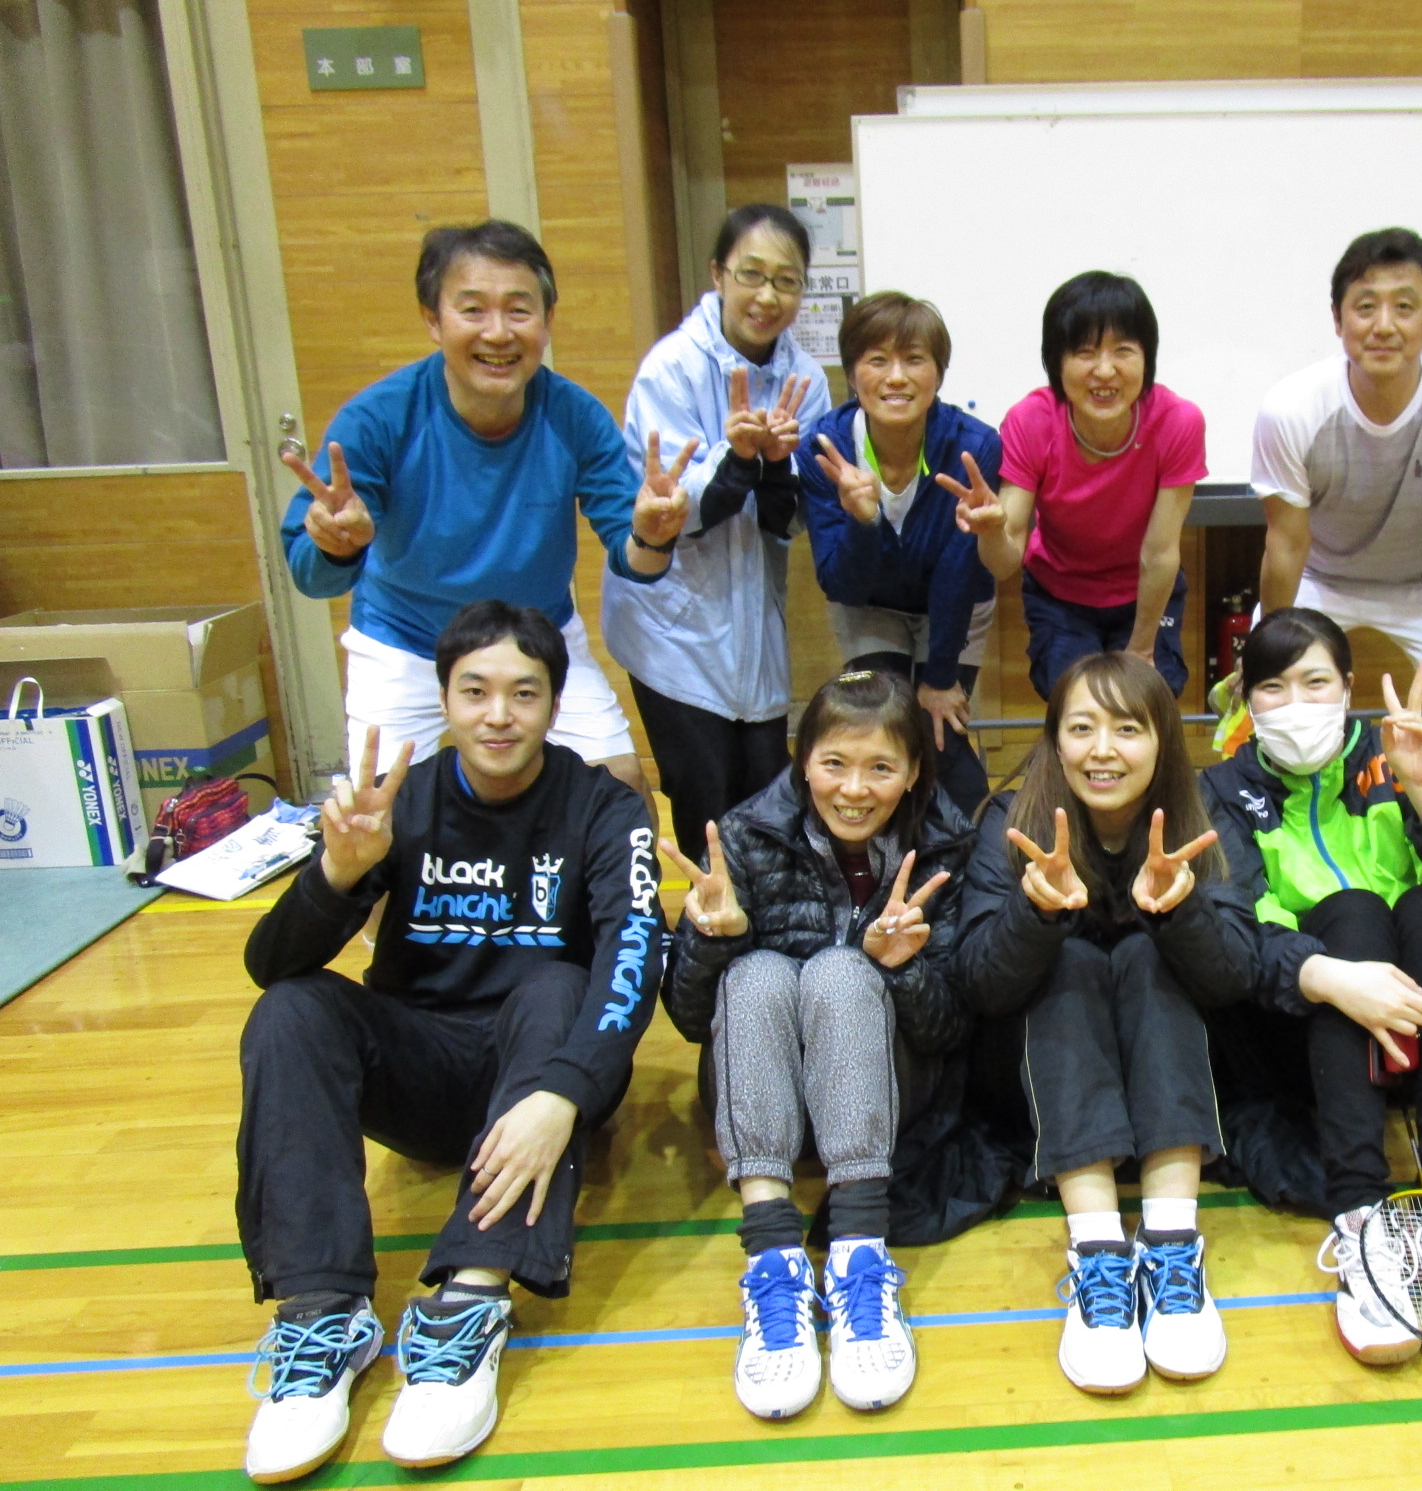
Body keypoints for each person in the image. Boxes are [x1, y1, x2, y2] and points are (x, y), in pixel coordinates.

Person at [235, 602, 661, 1483]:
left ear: (555, 704)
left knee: (555, 980)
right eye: (475, 692)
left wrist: (565, 1092)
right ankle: (321, 1316)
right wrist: (338, 873)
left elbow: (633, 961)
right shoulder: (401, 801)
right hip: (429, 1070)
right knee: (292, 1010)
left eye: (523, 693)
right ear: (444, 700)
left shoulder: (606, 808)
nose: (498, 715)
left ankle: (470, 1302)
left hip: (547, 1075)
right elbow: (269, 965)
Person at [1200, 608, 1422, 1368]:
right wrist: (1336, 979)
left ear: (1348, 688)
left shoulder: (1396, 758)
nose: (1296, 703)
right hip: (1304, 1032)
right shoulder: (1222, 790)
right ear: (1247, 703)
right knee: (1351, 912)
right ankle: (1360, 1218)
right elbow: (1237, 933)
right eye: (1273, 688)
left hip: (1417, 1028)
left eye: (1316, 682)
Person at [661, 669, 978, 1420]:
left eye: (881, 767)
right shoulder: (743, 836)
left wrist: (898, 969)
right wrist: (714, 939)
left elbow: (952, 1029)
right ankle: (773, 1261)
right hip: (761, 1105)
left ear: (913, 773)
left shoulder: (947, 846)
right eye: (835, 763)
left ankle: (860, 1257)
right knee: (757, 972)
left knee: (841, 970)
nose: (854, 789)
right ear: (803, 762)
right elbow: (688, 1018)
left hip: (885, 1096)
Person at [280, 220, 688, 802]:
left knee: (619, 785)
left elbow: (638, 560)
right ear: (433, 320)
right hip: (406, 640)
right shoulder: (377, 419)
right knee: (381, 809)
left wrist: (652, 536)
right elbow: (309, 575)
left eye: (518, 310)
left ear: (547, 320)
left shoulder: (574, 415)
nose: (498, 333)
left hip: (535, 637)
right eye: (473, 310)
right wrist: (336, 547)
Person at [956, 652, 1254, 1395]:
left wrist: (1182, 910)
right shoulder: (1011, 822)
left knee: (1150, 955)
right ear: (1055, 739)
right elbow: (980, 985)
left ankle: (1172, 1245)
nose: (1103, 750)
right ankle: (1097, 1255)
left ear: (1162, 741)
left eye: (1127, 728)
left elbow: (1234, 978)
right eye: (1082, 727)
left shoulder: (1203, 819)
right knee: (1073, 960)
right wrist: (1035, 912)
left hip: (1173, 1083)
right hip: (1043, 1094)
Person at [1251, 229, 1422, 804]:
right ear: (1338, 318)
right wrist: (1270, 644)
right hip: (1320, 579)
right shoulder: (1292, 408)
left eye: (1405, 306)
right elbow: (1287, 543)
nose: (1384, 325)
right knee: (1272, 703)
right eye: (1365, 306)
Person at [601, 204, 831, 861]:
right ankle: (709, 918)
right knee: (704, 801)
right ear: (718, 275)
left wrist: (777, 464)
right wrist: (737, 458)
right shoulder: (671, 368)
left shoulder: (806, 380)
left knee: (766, 800)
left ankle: (759, 919)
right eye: (751, 274)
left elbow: (790, 519)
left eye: (786, 280)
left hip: (753, 628)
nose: (767, 296)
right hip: (670, 628)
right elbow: (678, 512)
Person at [940, 272, 1205, 700]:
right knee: (1075, 702)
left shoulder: (1178, 422)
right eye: (1085, 352)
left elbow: (1159, 553)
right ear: (1056, 362)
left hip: (1145, 594)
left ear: (1147, 358)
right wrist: (990, 531)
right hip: (1059, 594)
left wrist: (1140, 650)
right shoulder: (1031, 421)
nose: (1105, 370)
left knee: (1144, 702)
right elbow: (1004, 563)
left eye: (1123, 350)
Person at [798, 292, 1000, 815]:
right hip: (870, 605)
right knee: (880, 731)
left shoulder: (973, 446)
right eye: (877, 360)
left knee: (939, 736)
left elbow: (959, 567)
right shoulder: (823, 448)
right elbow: (840, 584)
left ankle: (984, 847)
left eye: (914, 360)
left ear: (938, 373)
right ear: (852, 372)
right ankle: (884, 847)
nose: (896, 378)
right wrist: (863, 523)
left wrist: (940, 679)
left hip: (954, 603)